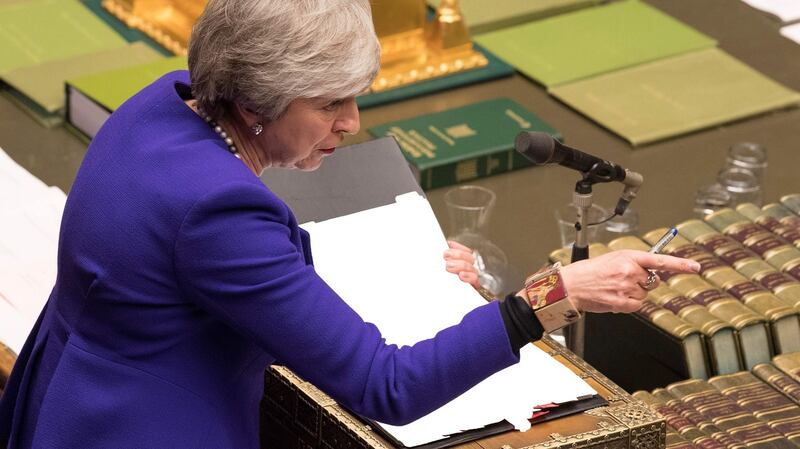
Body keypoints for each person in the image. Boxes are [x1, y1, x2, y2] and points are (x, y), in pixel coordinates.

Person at [0, 0, 699, 447]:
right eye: (331, 102)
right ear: (257, 102)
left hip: (70, 400)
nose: (352, 124)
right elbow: (387, 386)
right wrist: (552, 295)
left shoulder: (162, 104)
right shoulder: (219, 213)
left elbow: (215, 275)